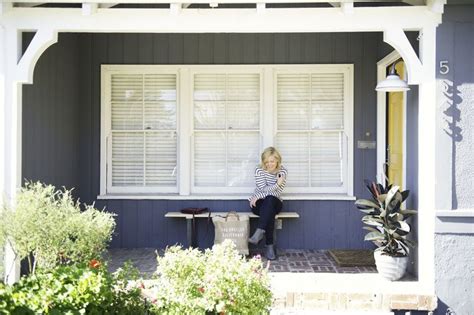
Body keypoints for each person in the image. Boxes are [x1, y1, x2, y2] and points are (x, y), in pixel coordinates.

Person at [248, 146, 287, 260]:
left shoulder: (282, 171)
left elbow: (277, 192)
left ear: (277, 161)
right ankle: (269, 248)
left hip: (275, 202)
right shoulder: (259, 170)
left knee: (270, 201)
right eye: (267, 161)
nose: (269, 164)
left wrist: (258, 195)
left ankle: (259, 232)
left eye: (272, 161)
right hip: (258, 204)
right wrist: (276, 185)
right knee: (269, 212)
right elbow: (262, 188)